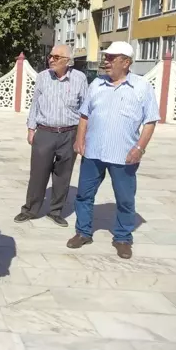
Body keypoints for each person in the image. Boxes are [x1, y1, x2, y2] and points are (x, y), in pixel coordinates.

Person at [67, 41, 159, 260]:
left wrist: (139, 148)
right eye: (105, 57)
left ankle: (123, 238)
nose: (105, 61)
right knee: (84, 195)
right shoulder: (96, 84)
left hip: (124, 155)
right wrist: (80, 140)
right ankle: (83, 232)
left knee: (125, 199)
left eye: (111, 58)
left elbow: (150, 121)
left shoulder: (142, 87)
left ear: (126, 62)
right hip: (93, 152)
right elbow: (84, 115)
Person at [14, 45, 88, 227]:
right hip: (45, 132)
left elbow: (86, 109)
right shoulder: (43, 77)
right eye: (50, 56)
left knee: (63, 175)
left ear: (67, 61)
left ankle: (55, 211)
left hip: (69, 133)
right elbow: (35, 104)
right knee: (38, 174)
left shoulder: (80, 79)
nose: (51, 59)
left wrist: (82, 137)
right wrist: (31, 129)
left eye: (56, 57)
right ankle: (30, 209)